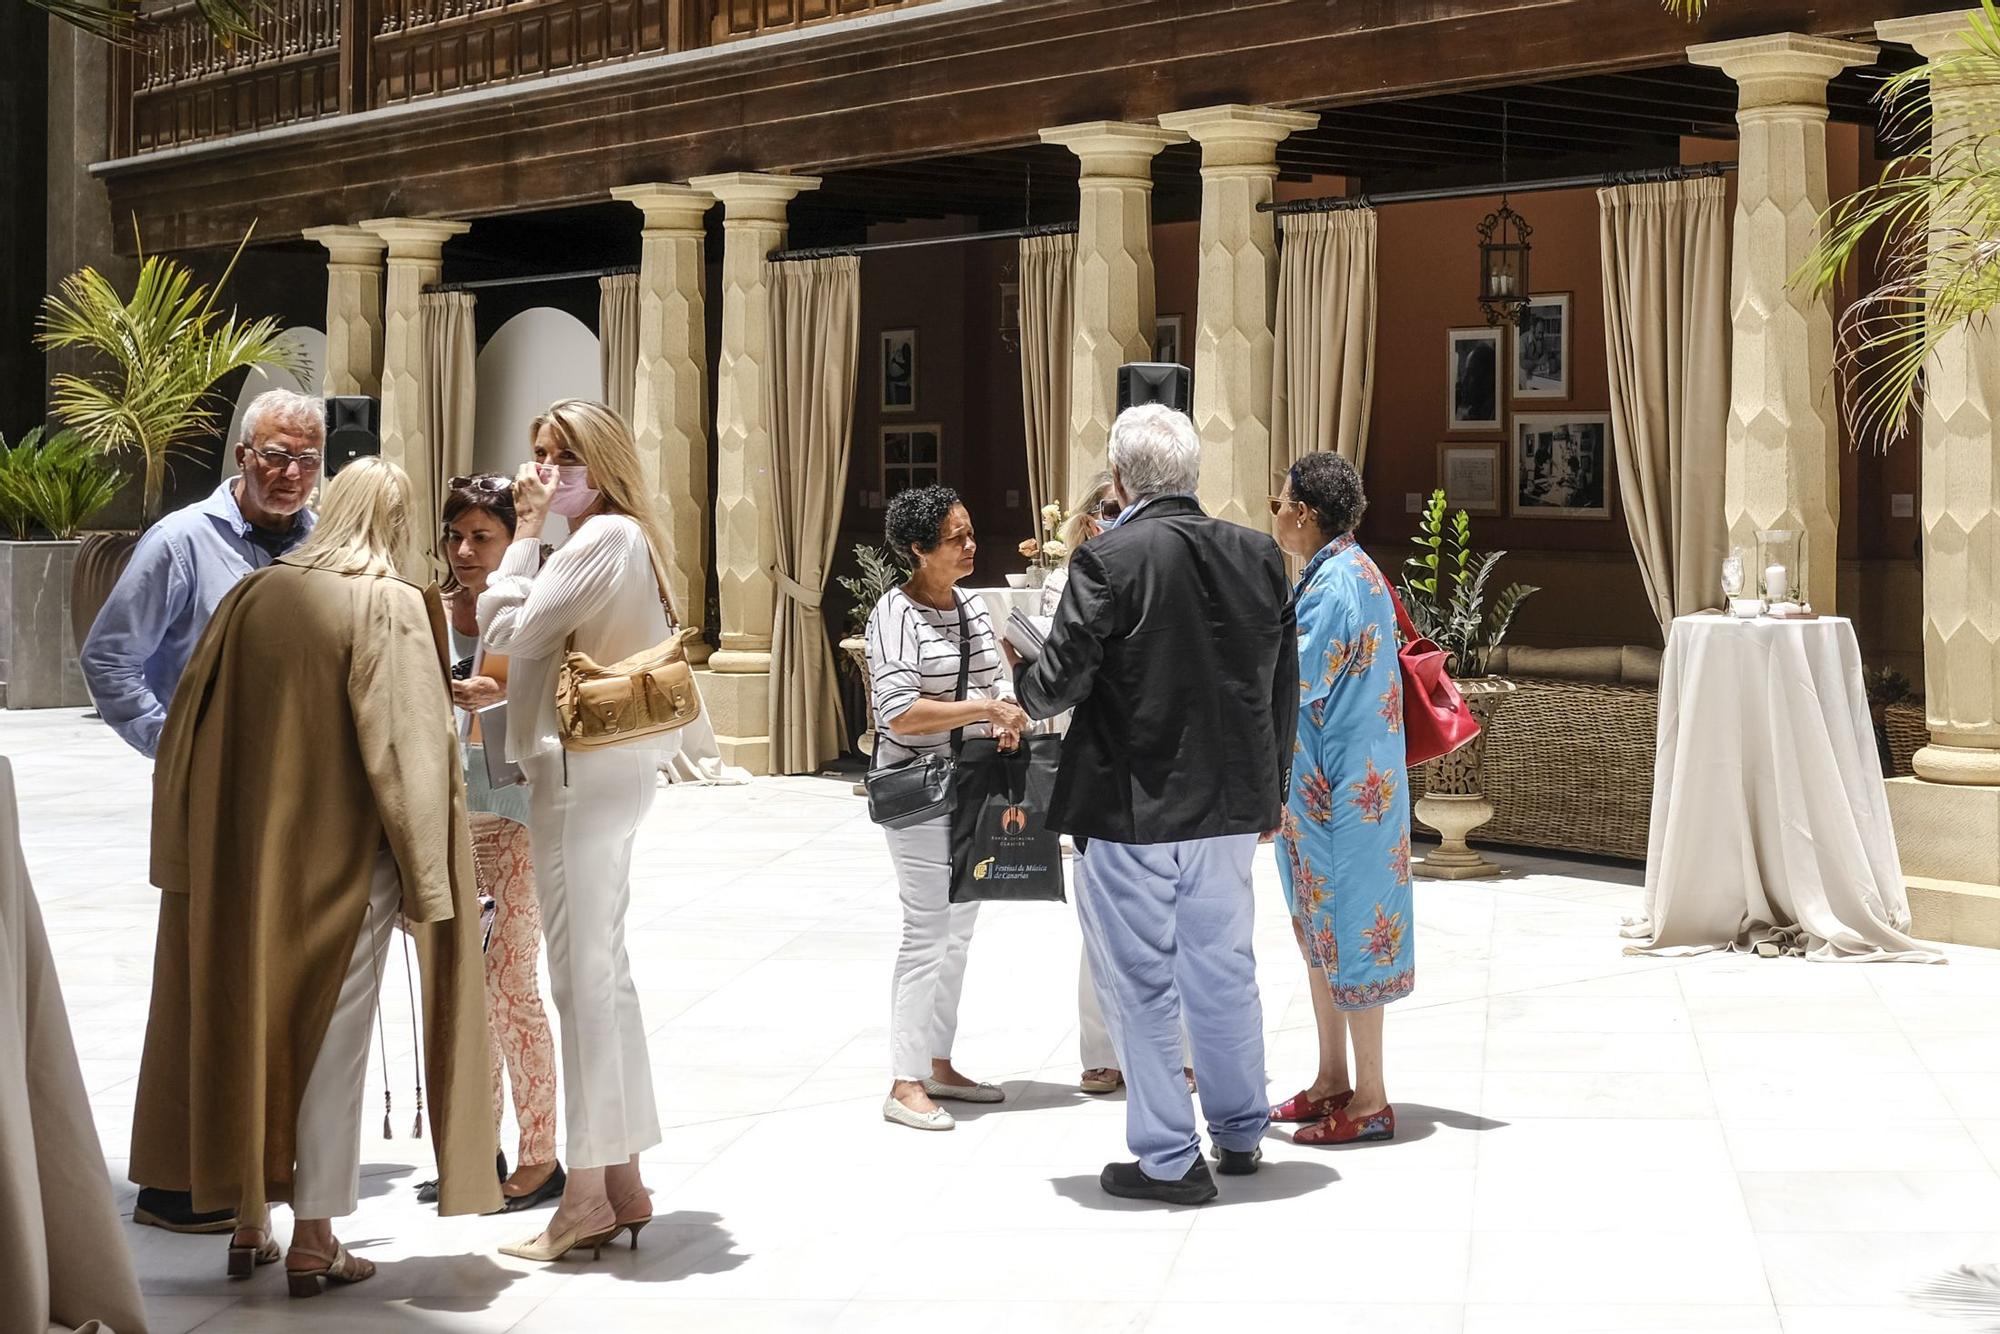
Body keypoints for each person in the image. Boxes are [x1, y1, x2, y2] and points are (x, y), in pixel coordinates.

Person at [130, 457, 500, 1296]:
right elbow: (406, 747)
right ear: (398, 521)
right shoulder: (391, 603)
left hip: (247, 861)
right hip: (347, 864)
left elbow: (188, 726)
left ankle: (249, 1221)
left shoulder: (255, 595)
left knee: (252, 1024)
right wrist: (428, 879)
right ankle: (318, 1237)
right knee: (333, 1043)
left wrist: (191, 852)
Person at [1014, 404, 1297, 1205]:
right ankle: (1241, 1129)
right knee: (1224, 967)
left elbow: (1058, 684)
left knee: (1140, 979)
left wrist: (1022, 671)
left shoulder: (1108, 559)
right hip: (1230, 804)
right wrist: (1269, 791)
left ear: (1119, 480)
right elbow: (1282, 684)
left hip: (1133, 803)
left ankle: (1170, 1158)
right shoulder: (1258, 555)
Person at [80, 386, 322, 1237]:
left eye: (305, 459)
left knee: (275, 983)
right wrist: (176, 750)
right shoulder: (182, 540)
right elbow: (110, 658)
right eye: (275, 457)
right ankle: (177, 1181)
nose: (290, 475)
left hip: (296, 808)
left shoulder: (318, 546)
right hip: (208, 804)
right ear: (241, 458)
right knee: (197, 981)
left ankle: (256, 1163)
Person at [478, 400, 676, 1260]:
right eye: (538, 455)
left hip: (579, 776)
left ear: (599, 460)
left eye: (562, 456)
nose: (545, 471)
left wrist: (520, 533)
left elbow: (504, 629)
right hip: (606, 774)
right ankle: (624, 1179)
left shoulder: (600, 540)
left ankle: (587, 1193)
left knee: (580, 982)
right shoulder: (620, 538)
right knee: (605, 973)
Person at [866, 485, 1030, 1131]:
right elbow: (898, 712)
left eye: (970, 532)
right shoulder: (893, 613)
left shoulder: (973, 606)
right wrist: (983, 710)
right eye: (955, 538)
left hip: (971, 780)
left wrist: (1006, 712)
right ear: (918, 548)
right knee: (926, 929)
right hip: (914, 786)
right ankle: (904, 1082)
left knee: (959, 928)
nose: (969, 545)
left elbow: (996, 677)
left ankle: (938, 1063)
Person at [425, 474, 565, 1212]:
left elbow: (560, 697)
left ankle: (542, 1158)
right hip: (443, 821)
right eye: (456, 535)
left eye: (482, 536)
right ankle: (475, 1152)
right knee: (463, 996)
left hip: (512, 815)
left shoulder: (532, 607)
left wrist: (501, 698)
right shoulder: (425, 609)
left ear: (512, 543)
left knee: (512, 987)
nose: (464, 550)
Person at [1269, 453, 1413, 1145]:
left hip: (1340, 797)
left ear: (1304, 513)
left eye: (1279, 503)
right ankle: (1333, 1079)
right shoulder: (1348, 571)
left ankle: (1370, 1101)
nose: (1274, 513)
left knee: (1350, 937)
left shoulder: (1336, 587)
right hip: (1334, 789)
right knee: (1322, 934)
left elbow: (1296, 680)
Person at [1040, 473, 1194, 1100]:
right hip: (1095, 754)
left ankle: (1178, 1054)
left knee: (1177, 922)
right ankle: (1102, 1050)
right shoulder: (1067, 579)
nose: (1111, 516)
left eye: (1121, 506)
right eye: (1103, 508)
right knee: (1099, 922)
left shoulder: (1156, 568)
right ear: (1085, 517)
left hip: (1161, 759)